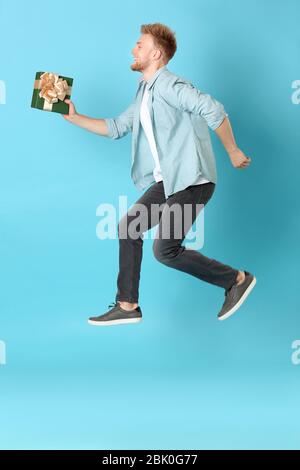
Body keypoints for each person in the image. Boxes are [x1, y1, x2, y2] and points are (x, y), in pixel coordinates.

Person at [63, 23, 256, 326]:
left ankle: (236, 279)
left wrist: (232, 150)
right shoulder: (144, 91)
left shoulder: (169, 85)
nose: (133, 50)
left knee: (164, 250)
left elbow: (213, 109)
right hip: (170, 183)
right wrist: (74, 117)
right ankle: (127, 305)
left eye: (139, 45)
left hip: (193, 180)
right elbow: (116, 128)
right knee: (129, 227)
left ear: (155, 53)